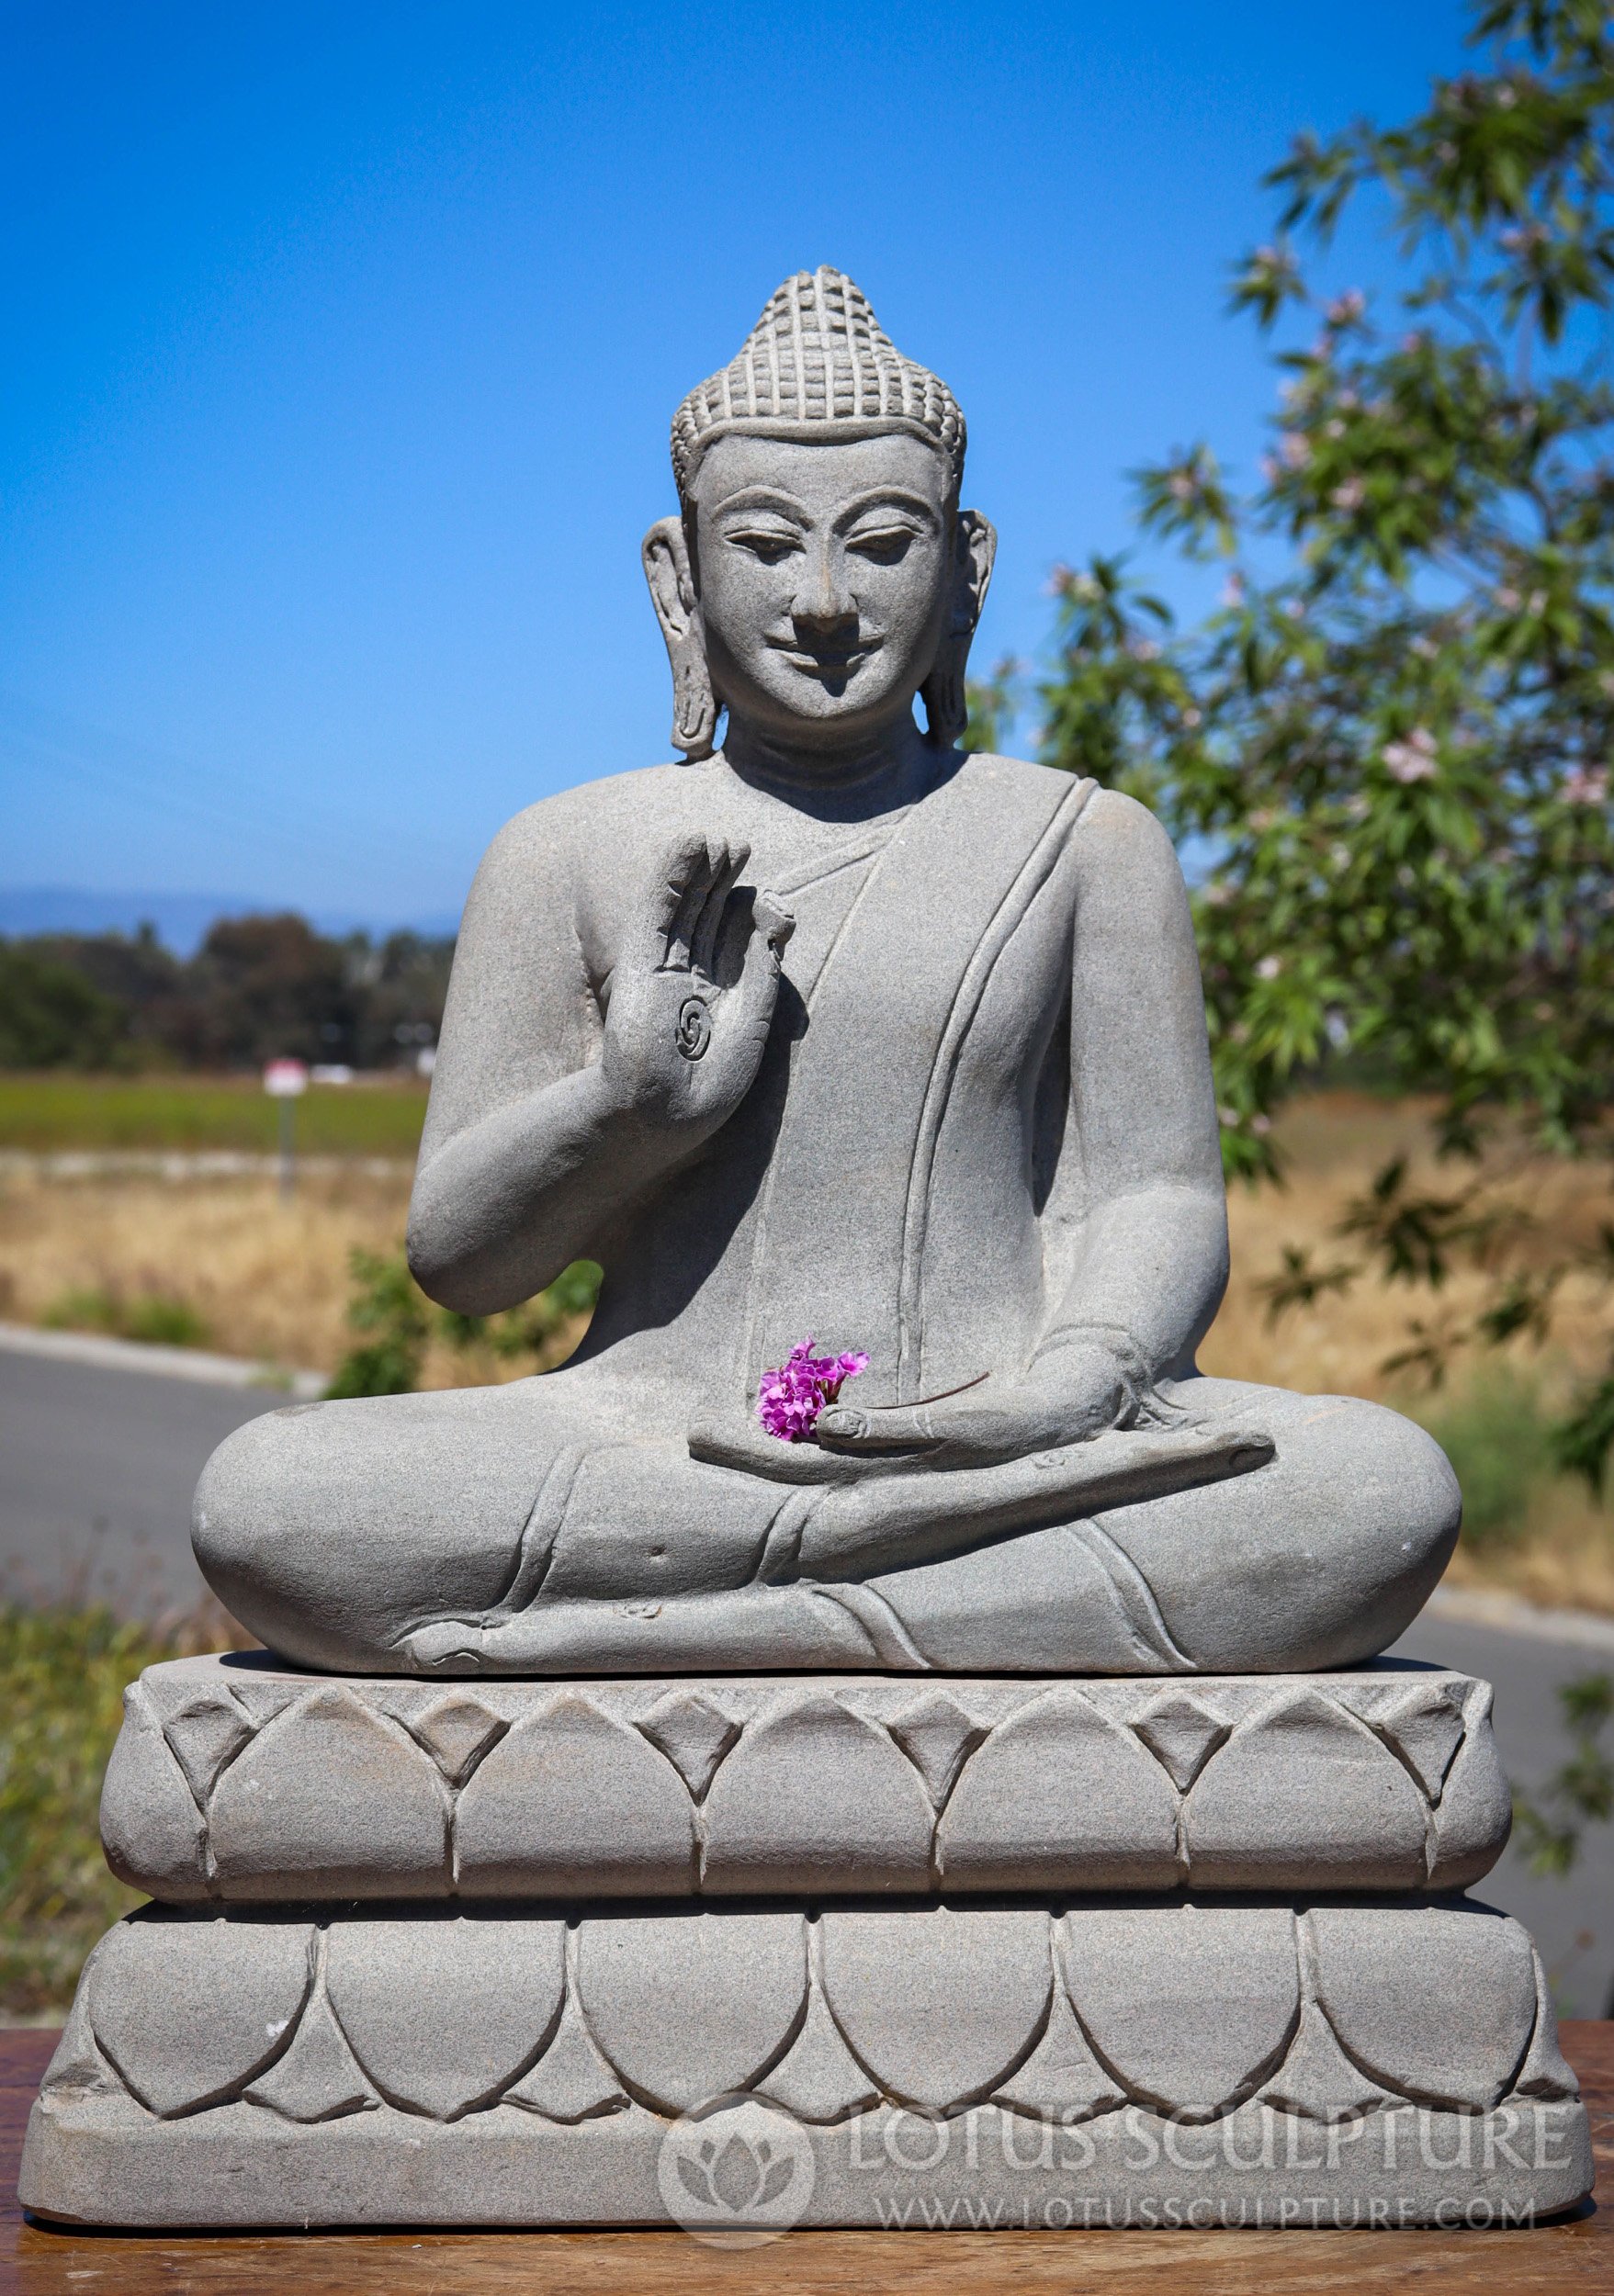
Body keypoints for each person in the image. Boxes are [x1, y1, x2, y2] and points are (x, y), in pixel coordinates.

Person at [194, 268, 1458, 1676]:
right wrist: (625, 1112)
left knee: (1373, 1491)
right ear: (676, 574)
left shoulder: (1084, 841)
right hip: (656, 1442)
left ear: (964, 567)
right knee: (274, 1502)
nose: (824, 602)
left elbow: (1153, 1191)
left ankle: (702, 1631)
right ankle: (887, 1620)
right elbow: (464, 1265)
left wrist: (1062, 1391)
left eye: (880, 544)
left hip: (1005, 1456)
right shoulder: (564, 850)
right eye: (765, 546)